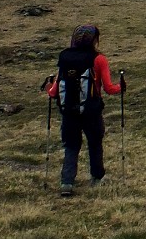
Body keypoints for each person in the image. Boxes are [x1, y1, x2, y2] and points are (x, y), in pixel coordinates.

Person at [46, 24, 124, 196]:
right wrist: (122, 87)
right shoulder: (98, 59)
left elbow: (54, 92)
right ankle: (96, 177)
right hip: (91, 110)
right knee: (95, 143)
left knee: (71, 146)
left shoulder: (65, 57)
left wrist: (49, 86)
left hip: (69, 112)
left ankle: (66, 183)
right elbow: (109, 88)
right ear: (95, 40)